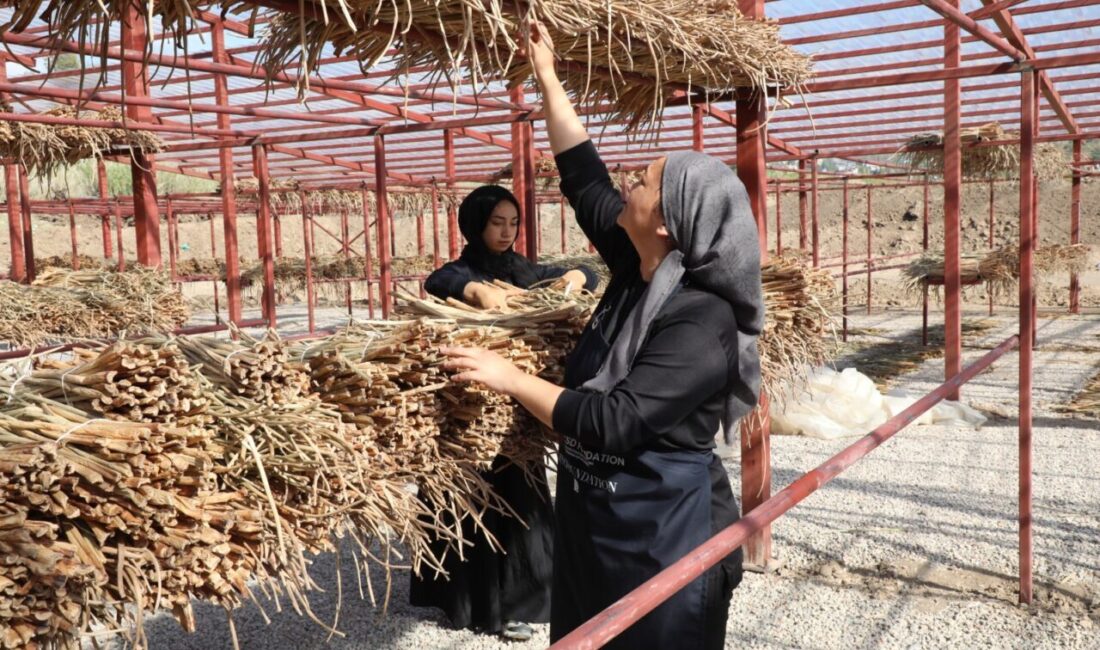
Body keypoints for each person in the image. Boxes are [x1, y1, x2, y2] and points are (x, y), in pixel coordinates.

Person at [438, 22, 763, 649]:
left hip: (662, 533)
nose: (629, 184)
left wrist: (507, 376)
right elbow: (585, 180)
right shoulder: (640, 269)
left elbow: (616, 421)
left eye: (643, 182)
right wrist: (548, 78)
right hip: (595, 520)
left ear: (670, 223)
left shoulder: (703, 320)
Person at [410, 184, 598, 641]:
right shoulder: (458, 271)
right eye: (497, 222)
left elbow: (584, 276)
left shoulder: (522, 270)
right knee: (465, 502)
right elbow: (441, 283)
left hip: (515, 416)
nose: (506, 232)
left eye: (513, 223)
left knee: (518, 503)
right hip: (467, 416)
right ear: (475, 223)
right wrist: (474, 289)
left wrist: (576, 277)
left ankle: (516, 605)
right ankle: (459, 602)